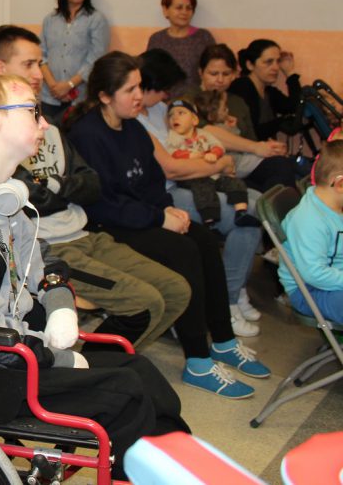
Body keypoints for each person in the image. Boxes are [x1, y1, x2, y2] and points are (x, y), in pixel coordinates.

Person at [0, 73, 189, 478]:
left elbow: (44, 258)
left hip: (11, 350)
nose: (45, 123)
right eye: (33, 112)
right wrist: (58, 357)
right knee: (127, 395)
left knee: (140, 370)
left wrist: (60, 306)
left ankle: (183, 468)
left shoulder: (0, 192)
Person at [67, 52, 270, 398]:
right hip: (107, 225)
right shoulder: (87, 134)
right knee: (183, 251)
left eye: (139, 87)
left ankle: (223, 340)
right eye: (129, 90)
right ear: (104, 96)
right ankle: (198, 361)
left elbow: (151, 182)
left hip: (141, 216)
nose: (138, 96)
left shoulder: (133, 128)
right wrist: (159, 219)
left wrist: (167, 209)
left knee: (203, 238)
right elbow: (103, 203)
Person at [0, 26, 190, 348]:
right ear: (0, 68)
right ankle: (92, 369)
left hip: (83, 233)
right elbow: (31, 197)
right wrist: (63, 187)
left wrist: (55, 186)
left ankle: (109, 363)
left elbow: (91, 185)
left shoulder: (48, 126)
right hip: (48, 247)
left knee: (176, 290)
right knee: (146, 301)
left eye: (40, 63)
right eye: (29, 64)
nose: (40, 74)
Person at [135, 49, 264, 338]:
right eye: (163, 89)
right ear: (148, 84)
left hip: (191, 181)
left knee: (257, 204)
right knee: (252, 212)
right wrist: (219, 164)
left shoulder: (159, 109)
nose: (167, 96)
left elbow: (198, 136)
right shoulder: (137, 119)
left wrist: (222, 156)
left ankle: (234, 292)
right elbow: (171, 169)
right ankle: (229, 300)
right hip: (168, 193)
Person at [189, 44, 295, 193]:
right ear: (201, 73)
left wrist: (270, 148)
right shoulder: (189, 99)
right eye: (213, 74)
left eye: (226, 74)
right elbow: (205, 132)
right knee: (257, 189)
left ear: (234, 74)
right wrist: (256, 147)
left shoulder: (237, 102)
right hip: (211, 167)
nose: (220, 80)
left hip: (242, 163)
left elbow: (251, 139)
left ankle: (277, 206)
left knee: (281, 165)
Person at [165, 98, 260, 228]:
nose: (175, 118)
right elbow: (171, 152)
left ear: (194, 119)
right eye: (171, 115)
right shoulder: (174, 137)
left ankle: (241, 212)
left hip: (213, 174)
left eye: (181, 113)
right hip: (193, 177)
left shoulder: (204, 134)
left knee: (234, 182)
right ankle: (209, 221)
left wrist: (214, 153)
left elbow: (218, 146)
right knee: (204, 190)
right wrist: (189, 155)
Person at [281, 139, 343, 323]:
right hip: (309, 290)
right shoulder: (310, 219)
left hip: (333, 279)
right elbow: (314, 274)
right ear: (340, 184)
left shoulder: (335, 204)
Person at [40, 0, 110, 120]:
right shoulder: (49, 20)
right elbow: (41, 55)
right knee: (48, 134)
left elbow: (96, 59)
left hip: (80, 98)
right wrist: (54, 86)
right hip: (49, 96)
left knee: (76, 134)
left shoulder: (96, 19)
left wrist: (69, 85)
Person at [228, 39, 302, 142]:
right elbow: (250, 133)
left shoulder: (269, 91)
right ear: (250, 65)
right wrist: (281, 122)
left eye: (278, 61)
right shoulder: (241, 87)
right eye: (268, 62)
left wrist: (290, 73)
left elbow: (295, 106)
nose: (276, 67)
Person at [146, 0, 215, 96]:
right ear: (165, 10)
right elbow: (149, 74)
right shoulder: (156, 39)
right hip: (162, 101)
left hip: (197, 100)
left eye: (189, 8)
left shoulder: (203, 37)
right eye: (179, 7)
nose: (184, 12)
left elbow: (214, 70)